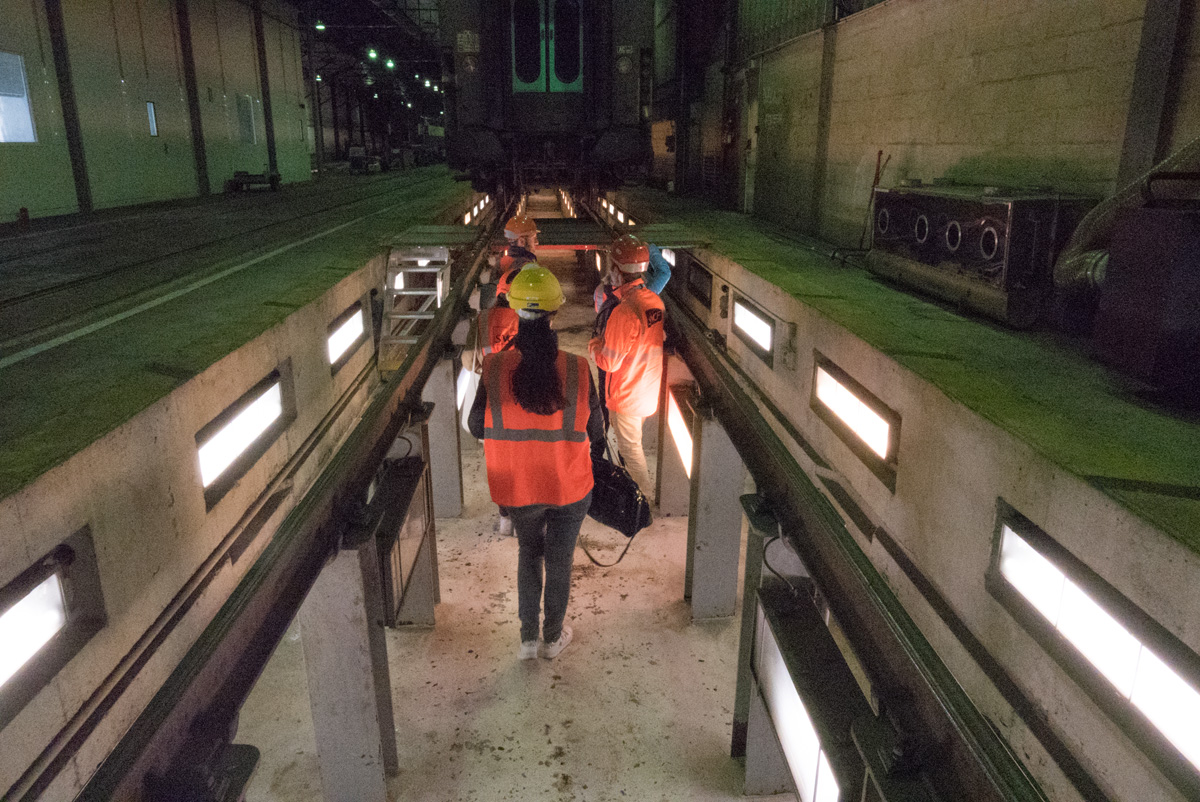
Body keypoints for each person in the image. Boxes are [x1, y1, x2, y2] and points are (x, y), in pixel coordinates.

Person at [468, 266, 606, 660]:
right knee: (560, 560)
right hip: (569, 486)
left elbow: (476, 424)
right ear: (554, 314)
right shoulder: (579, 370)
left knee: (529, 553)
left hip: (519, 488)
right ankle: (553, 637)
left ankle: (528, 640)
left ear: (512, 311)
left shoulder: (494, 369)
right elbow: (595, 432)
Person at [588, 236, 666, 505]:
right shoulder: (653, 302)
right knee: (631, 445)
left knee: (631, 451)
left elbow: (608, 362)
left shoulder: (623, 312)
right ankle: (634, 494)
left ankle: (642, 506)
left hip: (626, 394)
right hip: (645, 389)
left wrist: (594, 344)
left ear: (618, 271)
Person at [460, 271, 522, 535]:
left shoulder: (482, 319)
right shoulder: (528, 320)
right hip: (519, 397)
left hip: (490, 397)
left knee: (497, 462)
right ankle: (524, 513)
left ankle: (505, 517)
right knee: (522, 458)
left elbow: (467, 360)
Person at [494, 212, 540, 301]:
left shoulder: (503, 261)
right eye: (534, 238)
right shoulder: (524, 268)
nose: (537, 242)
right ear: (522, 241)